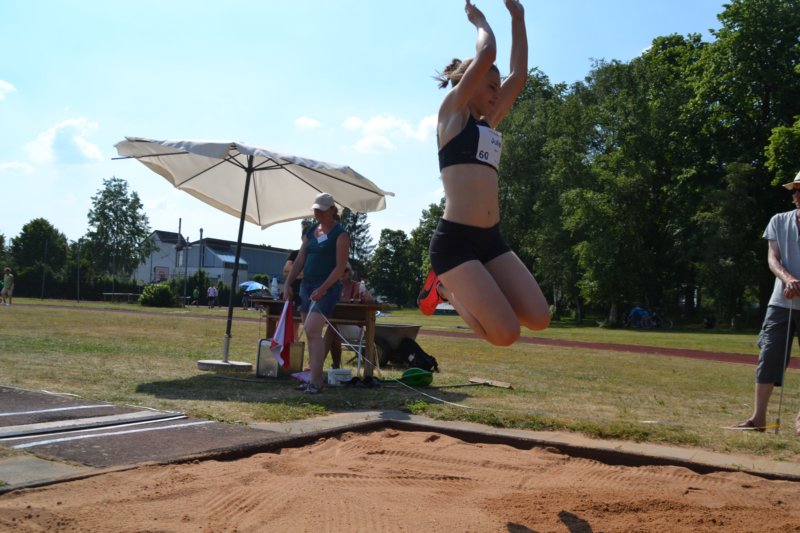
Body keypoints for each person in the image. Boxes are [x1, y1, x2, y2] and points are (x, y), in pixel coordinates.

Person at [418, 0, 549, 346]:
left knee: (539, 318)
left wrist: (518, 17)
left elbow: (519, 76)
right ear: (470, 82)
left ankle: (454, 288)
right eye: (491, 86)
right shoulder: (451, 115)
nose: (497, 93)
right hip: (455, 242)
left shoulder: (488, 124)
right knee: (505, 334)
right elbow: (488, 52)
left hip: (491, 239)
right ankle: (445, 289)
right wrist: (479, 19)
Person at [736, 170, 800, 434]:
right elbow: (773, 258)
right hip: (780, 303)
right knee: (769, 355)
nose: (796, 194)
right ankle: (758, 418)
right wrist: (788, 279)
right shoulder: (779, 220)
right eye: (794, 189)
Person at [283, 193, 350, 394]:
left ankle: (316, 381)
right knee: (311, 334)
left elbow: (340, 267)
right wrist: (288, 283)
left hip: (327, 287)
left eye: (322, 210)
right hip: (307, 286)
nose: (317, 213)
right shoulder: (312, 232)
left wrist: (323, 288)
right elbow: (299, 260)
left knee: (312, 330)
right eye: (315, 210)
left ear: (332, 210)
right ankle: (314, 378)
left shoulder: (341, 235)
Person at [323, 263, 375, 369]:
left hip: (356, 327)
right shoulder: (333, 286)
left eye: (345, 270)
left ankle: (315, 366)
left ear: (350, 272)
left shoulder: (357, 285)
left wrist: (352, 299)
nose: (342, 272)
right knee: (333, 329)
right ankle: (335, 367)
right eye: (339, 269)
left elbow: (371, 301)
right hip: (338, 325)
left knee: (332, 327)